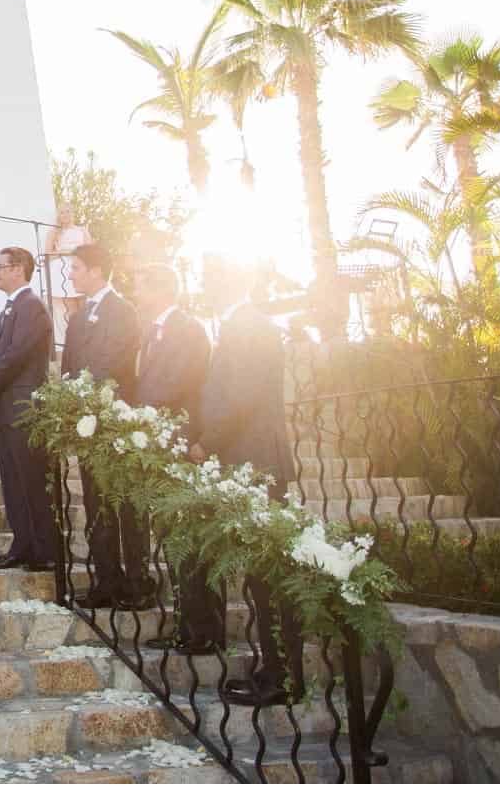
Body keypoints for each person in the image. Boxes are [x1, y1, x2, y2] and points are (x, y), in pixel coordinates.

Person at [195, 264, 305, 706]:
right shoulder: (245, 323)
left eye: (210, 279)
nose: (204, 286)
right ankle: (273, 669)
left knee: (269, 574)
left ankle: (282, 676)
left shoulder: (247, 325)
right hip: (252, 459)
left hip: (256, 461)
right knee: (262, 575)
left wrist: (206, 441)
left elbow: (238, 396)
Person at [60, 242, 152, 609]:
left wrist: (85, 392)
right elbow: (68, 364)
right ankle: (106, 580)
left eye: (77, 268)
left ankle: (137, 582)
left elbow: (114, 362)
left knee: (126, 504)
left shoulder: (123, 311)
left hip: (115, 423)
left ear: (97, 270)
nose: (71, 274)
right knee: (97, 502)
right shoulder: (79, 317)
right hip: (87, 426)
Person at [129, 265, 214, 653]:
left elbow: (179, 380)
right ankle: (184, 624)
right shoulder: (151, 331)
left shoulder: (189, 329)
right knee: (171, 539)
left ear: (160, 289)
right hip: (158, 445)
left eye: (140, 283)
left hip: (181, 442)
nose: (135, 289)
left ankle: (202, 630)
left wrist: (137, 411)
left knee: (189, 539)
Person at [0, 247, 58, 572]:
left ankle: (43, 548)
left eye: (0, 267)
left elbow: (16, 354)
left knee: (30, 477)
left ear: (19, 269)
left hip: (23, 405)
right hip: (6, 405)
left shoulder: (31, 308)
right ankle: (23, 544)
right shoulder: (10, 309)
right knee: (13, 478)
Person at [42, 204, 91, 345]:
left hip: (81, 265)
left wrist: (76, 254)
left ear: (73, 213)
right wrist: (66, 252)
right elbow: (48, 253)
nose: (65, 215)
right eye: (62, 212)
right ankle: (74, 337)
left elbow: (89, 250)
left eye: (68, 212)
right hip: (62, 269)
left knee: (84, 302)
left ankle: (87, 335)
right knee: (70, 307)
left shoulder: (82, 230)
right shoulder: (54, 232)